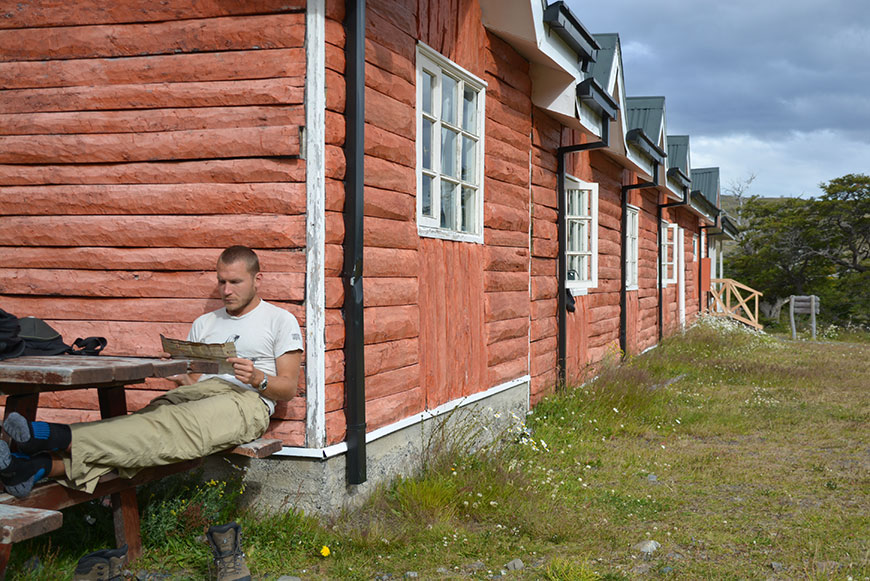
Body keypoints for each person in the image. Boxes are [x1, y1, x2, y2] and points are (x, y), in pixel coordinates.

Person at [0, 245, 303, 499]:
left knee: (165, 427)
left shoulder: (279, 319)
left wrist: (257, 378)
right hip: (197, 394)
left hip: (246, 401)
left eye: (235, 282)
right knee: (145, 427)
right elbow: (193, 382)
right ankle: (34, 467)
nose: (226, 290)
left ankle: (46, 435)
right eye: (221, 281)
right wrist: (177, 374)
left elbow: (288, 388)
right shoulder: (205, 322)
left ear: (257, 279)